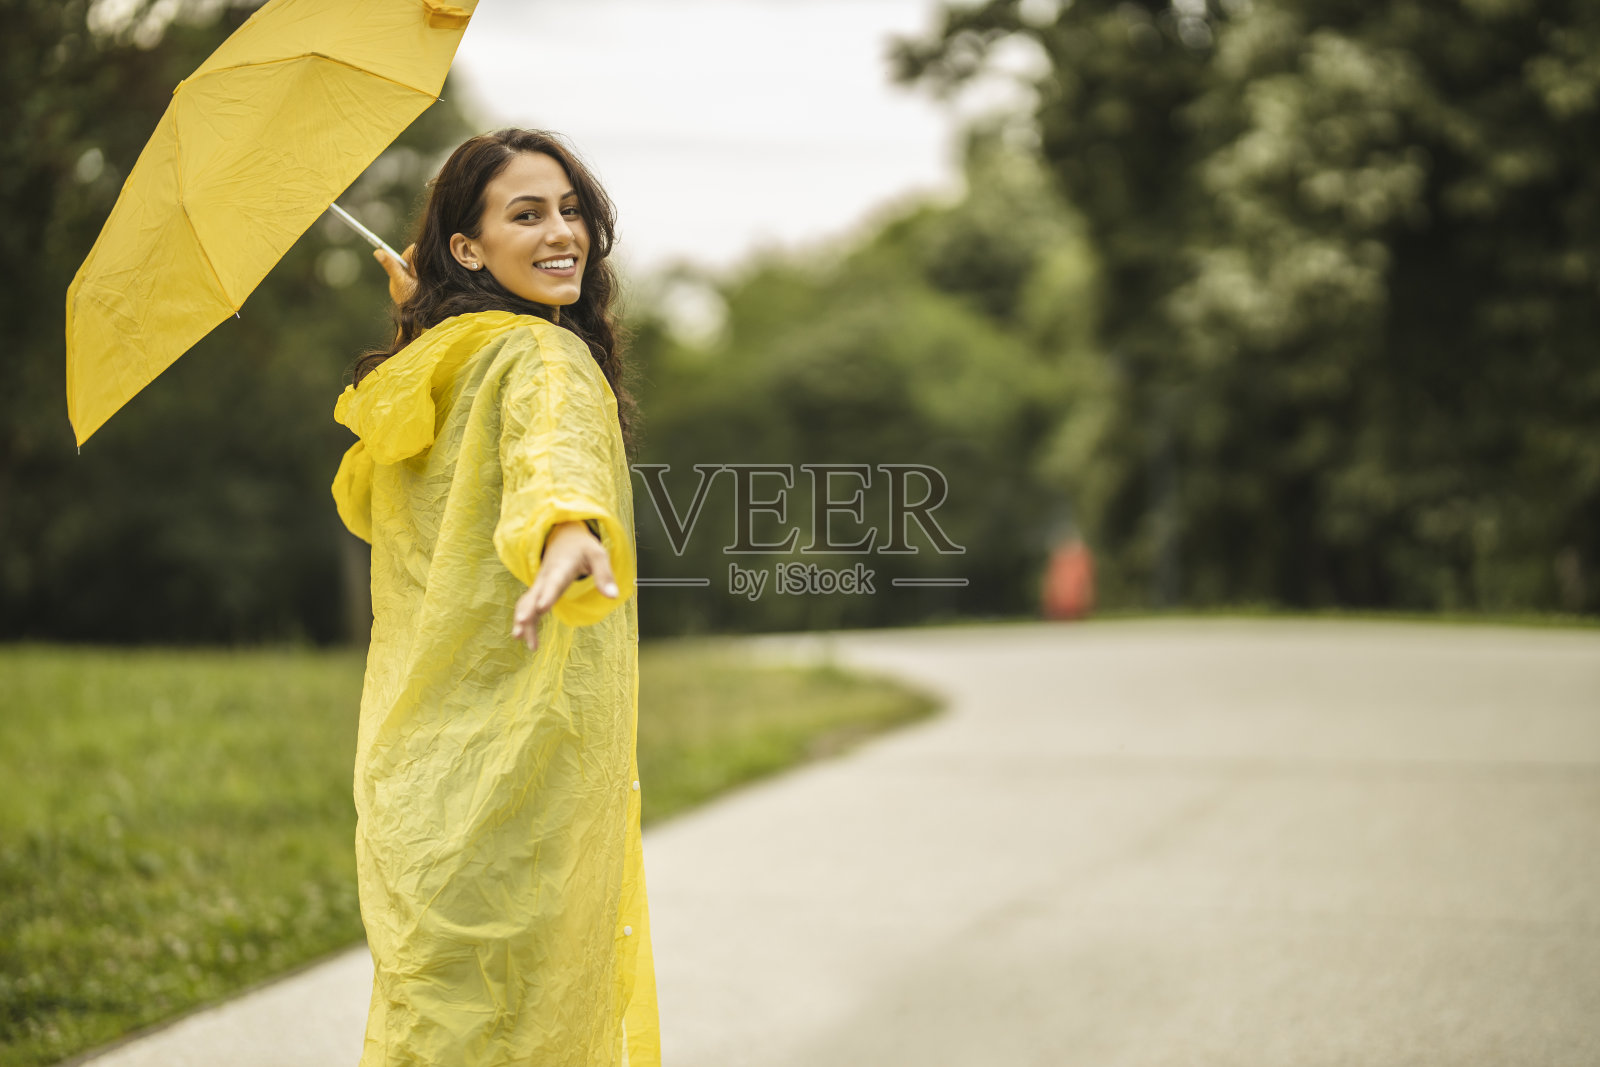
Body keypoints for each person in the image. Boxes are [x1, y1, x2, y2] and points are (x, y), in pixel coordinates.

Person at [329, 128, 659, 1067]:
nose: (564, 234)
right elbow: (549, 454)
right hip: (522, 762)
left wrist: (418, 324)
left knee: (439, 1020)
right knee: (531, 1020)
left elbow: (443, 473)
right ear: (465, 248)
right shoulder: (545, 359)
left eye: (570, 210)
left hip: (419, 766)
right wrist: (567, 535)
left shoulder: (439, 366)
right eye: (527, 214)